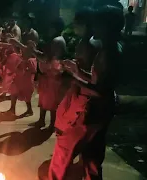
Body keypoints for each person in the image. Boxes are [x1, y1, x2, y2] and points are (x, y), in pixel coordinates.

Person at [49, 5, 124, 180]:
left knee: (64, 151)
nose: (94, 27)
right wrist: (76, 70)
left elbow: (99, 90)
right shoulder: (111, 48)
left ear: (107, 26)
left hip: (92, 111)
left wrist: (73, 77)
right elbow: (98, 79)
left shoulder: (109, 52)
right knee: (92, 156)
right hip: (101, 112)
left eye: (97, 24)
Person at [29, 17, 70, 129]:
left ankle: (52, 124)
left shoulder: (57, 41)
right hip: (48, 75)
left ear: (54, 28)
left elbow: (46, 59)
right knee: (44, 100)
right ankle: (42, 121)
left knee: (52, 102)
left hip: (53, 76)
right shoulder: (56, 39)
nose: (48, 29)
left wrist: (33, 50)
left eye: (50, 27)